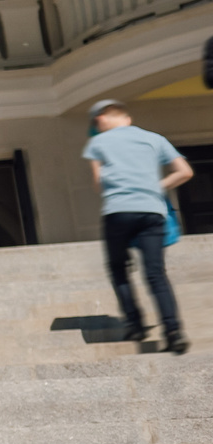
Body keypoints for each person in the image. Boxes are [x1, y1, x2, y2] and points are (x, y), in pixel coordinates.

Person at [84, 98, 191, 354]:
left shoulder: (97, 142)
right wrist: (156, 187)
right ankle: (173, 331)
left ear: (102, 119)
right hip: (152, 212)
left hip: (118, 211)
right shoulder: (155, 139)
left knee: (118, 268)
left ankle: (136, 324)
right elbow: (184, 172)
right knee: (156, 274)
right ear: (127, 118)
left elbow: (98, 184)